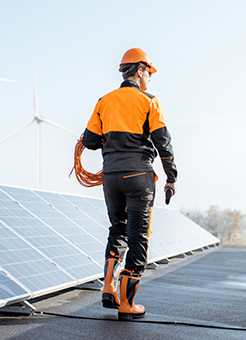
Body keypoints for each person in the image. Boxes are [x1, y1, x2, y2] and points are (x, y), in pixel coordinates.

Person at [82, 48, 178, 321]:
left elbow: (89, 141)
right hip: (138, 177)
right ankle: (127, 303)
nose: (150, 77)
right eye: (149, 72)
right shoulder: (149, 101)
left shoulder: (104, 101)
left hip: (111, 177)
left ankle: (109, 286)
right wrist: (172, 177)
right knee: (138, 236)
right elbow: (163, 142)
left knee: (117, 230)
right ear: (139, 70)